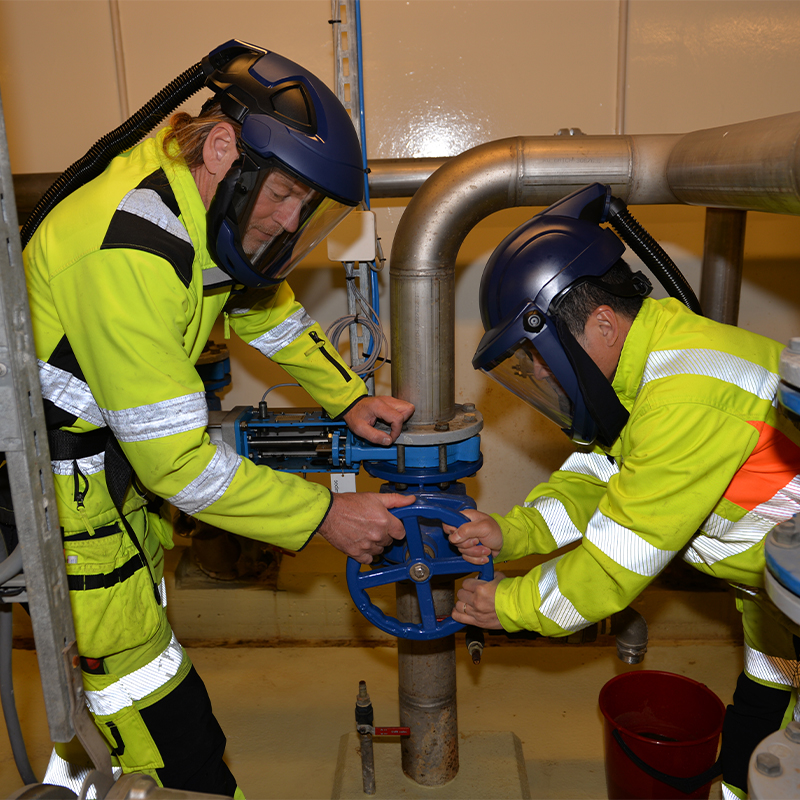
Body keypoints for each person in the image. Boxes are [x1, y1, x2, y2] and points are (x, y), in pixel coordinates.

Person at [22, 41, 414, 796]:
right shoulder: (127, 251)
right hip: (70, 513)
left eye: (307, 206)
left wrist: (350, 399)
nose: (286, 220)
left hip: (111, 487)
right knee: (171, 745)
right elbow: (178, 465)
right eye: (285, 195)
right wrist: (328, 517)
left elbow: (268, 313)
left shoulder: (196, 208)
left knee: (156, 679)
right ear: (227, 147)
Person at [445, 183, 800, 800]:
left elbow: (613, 567)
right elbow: (598, 476)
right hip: (773, 604)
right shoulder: (647, 367)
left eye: (539, 358)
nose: (540, 378)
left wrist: (507, 606)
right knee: (752, 747)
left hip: (790, 602)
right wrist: (513, 532)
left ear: (602, 323)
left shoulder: (683, 396)